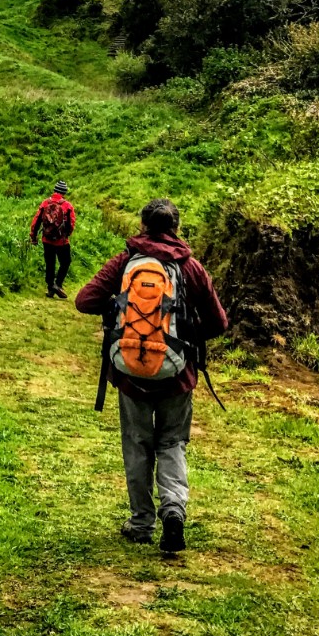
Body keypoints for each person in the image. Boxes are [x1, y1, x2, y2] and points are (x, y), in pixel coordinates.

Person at [73, 198, 227, 554]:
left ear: (143, 225)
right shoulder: (191, 268)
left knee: (137, 445)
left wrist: (118, 309)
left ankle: (141, 522)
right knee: (172, 443)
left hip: (131, 376)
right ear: (176, 227)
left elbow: (84, 300)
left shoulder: (126, 262)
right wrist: (187, 331)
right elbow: (219, 323)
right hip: (177, 375)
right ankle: (173, 510)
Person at [29, 182, 76, 299]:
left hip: (46, 240)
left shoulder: (45, 203)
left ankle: (51, 287)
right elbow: (71, 224)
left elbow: (36, 221)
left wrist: (33, 236)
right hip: (62, 242)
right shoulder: (67, 206)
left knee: (50, 263)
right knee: (65, 262)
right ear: (64, 192)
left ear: (54, 190)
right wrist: (66, 235)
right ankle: (58, 284)